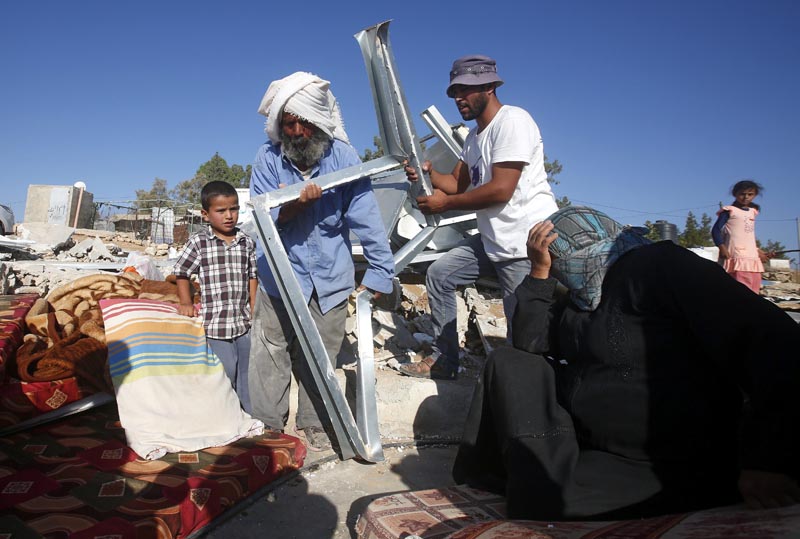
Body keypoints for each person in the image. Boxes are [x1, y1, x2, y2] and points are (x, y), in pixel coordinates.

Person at [453, 206, 800, 520]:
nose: (561, 273)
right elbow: (529, 343)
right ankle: (507, 478)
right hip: (597, 447)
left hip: (669, 461)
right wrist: (539, 272)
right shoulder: (580, 296)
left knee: (548, 499)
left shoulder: (662, 267)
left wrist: (766, 460)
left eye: (557, 262)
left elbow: (775, 343)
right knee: (509, 364)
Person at [247, 72, 395, 451]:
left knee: (321, 355)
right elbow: (263, 223)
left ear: (318, 124)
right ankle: (268, 426)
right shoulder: (266, 160)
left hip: (329, 277)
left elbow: (366, 218)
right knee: (271, 351)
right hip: (280, 274)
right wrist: (295, 205)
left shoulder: (343, 158)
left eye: (304, 123)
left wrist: (380, 271)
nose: (296, 132)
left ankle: (314, 422)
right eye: (289, 124)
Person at [399, 55, 558, 381]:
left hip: (524, 247)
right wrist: (429, 173)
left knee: (522, 337)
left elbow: (501, 190)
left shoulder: (512, 122)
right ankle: (446, 362)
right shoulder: (474, 138)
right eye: (455, 92)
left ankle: (525, 403)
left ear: (489, 87)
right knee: (441, 274)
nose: (459, 99)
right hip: (493, 241)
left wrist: (446, 204)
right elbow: (457, 182)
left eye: (466, 91)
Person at [173, 180, 258, 412]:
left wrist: (254, 307)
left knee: (248, 372)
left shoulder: (246, 242)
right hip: (215, 325)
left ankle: (249, 417)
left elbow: (252, 277)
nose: (229, 215)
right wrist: (186, 302)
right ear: (205, 214)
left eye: (234, 208)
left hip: (242, 322)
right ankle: (222, 414)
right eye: (221, 211)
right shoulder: (200, 242)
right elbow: (182, 272)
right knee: (226, 370)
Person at [712, 179, 767, 294]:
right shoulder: (729, 211)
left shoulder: (752, 212)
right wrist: (722, 247)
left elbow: (747, 236)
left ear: (755, 195)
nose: (746, 197)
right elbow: (715, 230)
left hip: (752, 259)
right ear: (735, 194)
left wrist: (758, 251)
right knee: (740, 290)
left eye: (750, 194)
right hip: (737, 256)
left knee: (754, 290)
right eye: (742, 194)